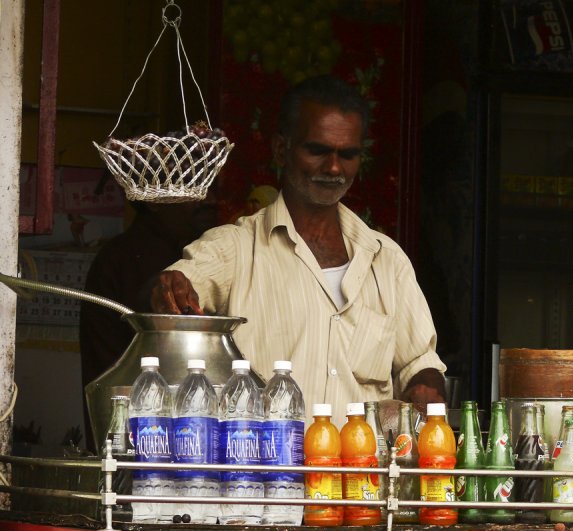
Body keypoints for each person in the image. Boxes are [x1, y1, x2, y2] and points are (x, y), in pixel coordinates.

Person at [149, 75, 447, 424]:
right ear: (281, 150)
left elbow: (420, 361)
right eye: (318, 150)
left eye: (347, 154)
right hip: (263, 475)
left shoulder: (387, 261)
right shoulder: (236, 247)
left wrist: (426, 383)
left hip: (359, 476)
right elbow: (182, 281)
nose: (334, 168)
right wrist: (172, 285)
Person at [79, 197, 217, 452]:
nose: (207, 199)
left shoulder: (198, 251)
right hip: (136, 432)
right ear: (155, 201)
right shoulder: (126, 259)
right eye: (192, 193)